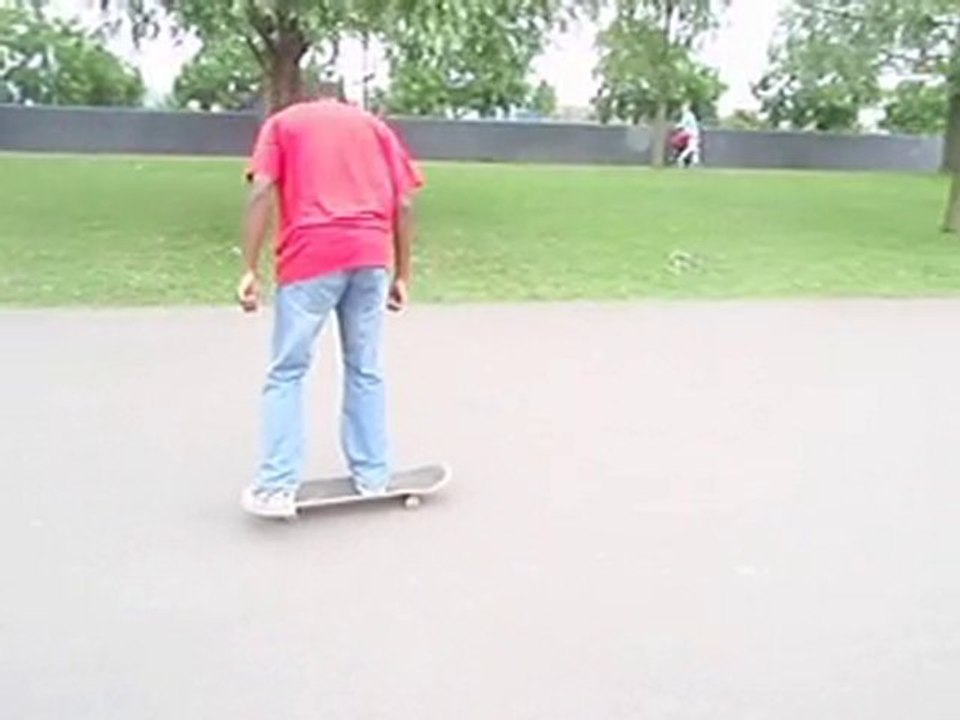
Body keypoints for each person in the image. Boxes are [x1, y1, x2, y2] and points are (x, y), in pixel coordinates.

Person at [238, 80, 423, 519]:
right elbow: (406, 202)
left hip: (310, 258)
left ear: (302, 96)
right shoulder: (374, 127)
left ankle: (277, 487)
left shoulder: (283, 124)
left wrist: (249, 267)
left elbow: (262, 189)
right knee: (365, 367)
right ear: (341, 98)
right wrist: (403, 274)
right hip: (369, 255)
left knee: (287, 371)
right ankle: (373, 474)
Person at [676, 103, 701, 168]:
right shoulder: (690, 115)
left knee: (693, 148)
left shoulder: (687, 115)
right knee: (693, 148)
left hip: (692, 132)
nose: (682, 109)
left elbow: (682, 124)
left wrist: (676, 126)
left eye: (683, 108)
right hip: (693, 132)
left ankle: (681, 159)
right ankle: (694, 162)